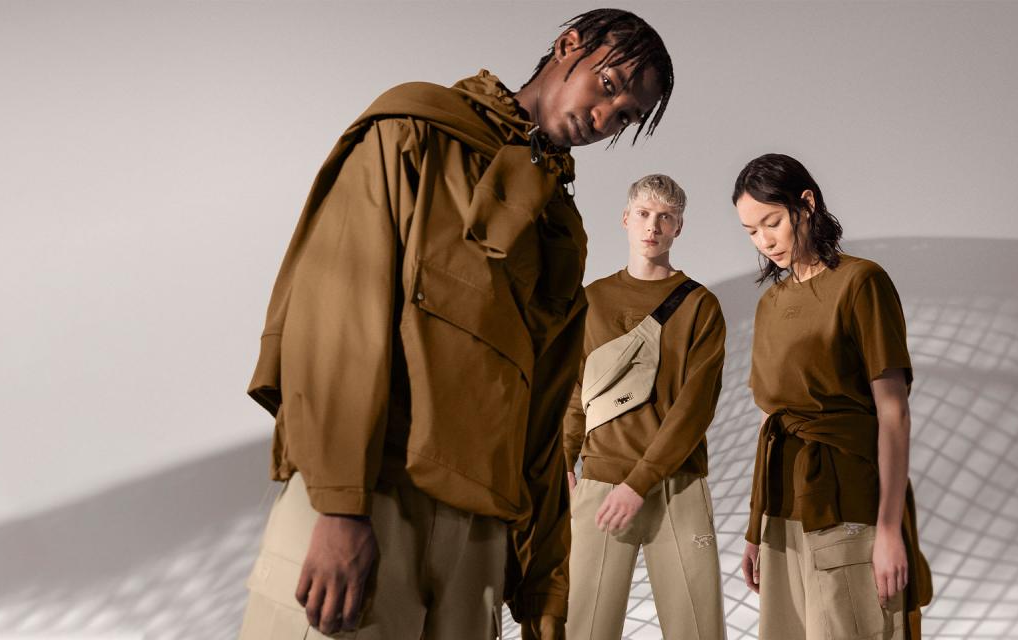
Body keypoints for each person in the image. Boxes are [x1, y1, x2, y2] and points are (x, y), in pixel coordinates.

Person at [238, 9, 675, 640]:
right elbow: (336, 315)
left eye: (626, 116)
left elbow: (542, 409)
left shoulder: (559, 229)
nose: (605, 117)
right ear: (567, 45)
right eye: (607, 86)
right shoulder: (414, 131)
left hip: (477, 547)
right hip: (368, 503)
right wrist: (339, 505)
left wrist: (543, 586)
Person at [733, 154, 933, 639]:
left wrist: (889, 530)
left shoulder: (861, 282)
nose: (765, 241)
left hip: (846, 497)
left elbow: (894, 413)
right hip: (782, 508)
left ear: (807, 204)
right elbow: (770, 417)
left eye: (772, 222)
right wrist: (756, 527)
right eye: (751, 231)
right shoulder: (770, 303)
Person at [562, 174, 728, 640]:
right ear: (625, 219)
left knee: (698, 632)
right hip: (600, 480)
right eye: (644, 214)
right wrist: (563, 461)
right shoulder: (592, 299)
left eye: (665, 217)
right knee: (584, 631)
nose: (653, 226)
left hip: (678, 484)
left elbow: (695, 408)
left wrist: (638, 483)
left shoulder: (700, 306)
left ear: (679, 227)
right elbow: (576, 389)